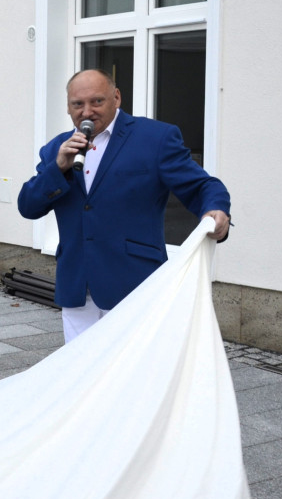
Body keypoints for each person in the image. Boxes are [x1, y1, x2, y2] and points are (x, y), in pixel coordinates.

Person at [17, 68, 230, 343]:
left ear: (116, 98)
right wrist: (57, 169)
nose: (87, 111)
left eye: (97, 101)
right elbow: (28, 206)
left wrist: (216, 210)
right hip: (77, 285)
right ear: (69, 107)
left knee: (132, 376)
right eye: (77, 104)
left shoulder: (155, 138)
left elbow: (202, 186)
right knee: (80, 373)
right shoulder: (57, 149)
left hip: (134, 282)